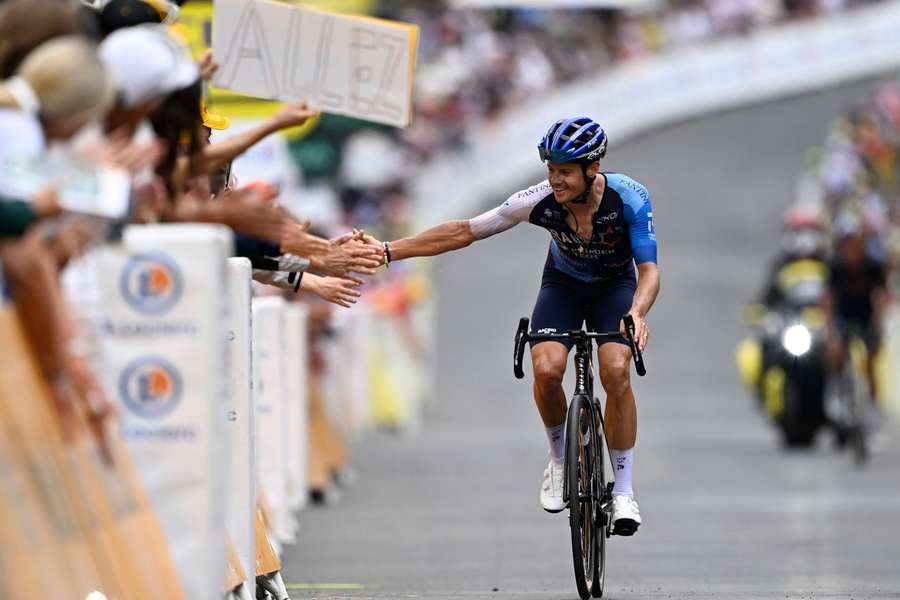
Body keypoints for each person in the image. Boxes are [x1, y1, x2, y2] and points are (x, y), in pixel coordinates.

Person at [374, 117, 659, 535]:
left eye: (564, 171)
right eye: (550, 170)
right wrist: (387, 251)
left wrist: (637, 313)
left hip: (615, 287)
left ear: (592, 169)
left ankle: (623, 492)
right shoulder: (538, 199)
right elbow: (464, 232)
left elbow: (649, 270)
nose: (554, 180)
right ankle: (560, 460)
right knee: (546, 370)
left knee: (616, 370)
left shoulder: (630, 198)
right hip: (562, 285)